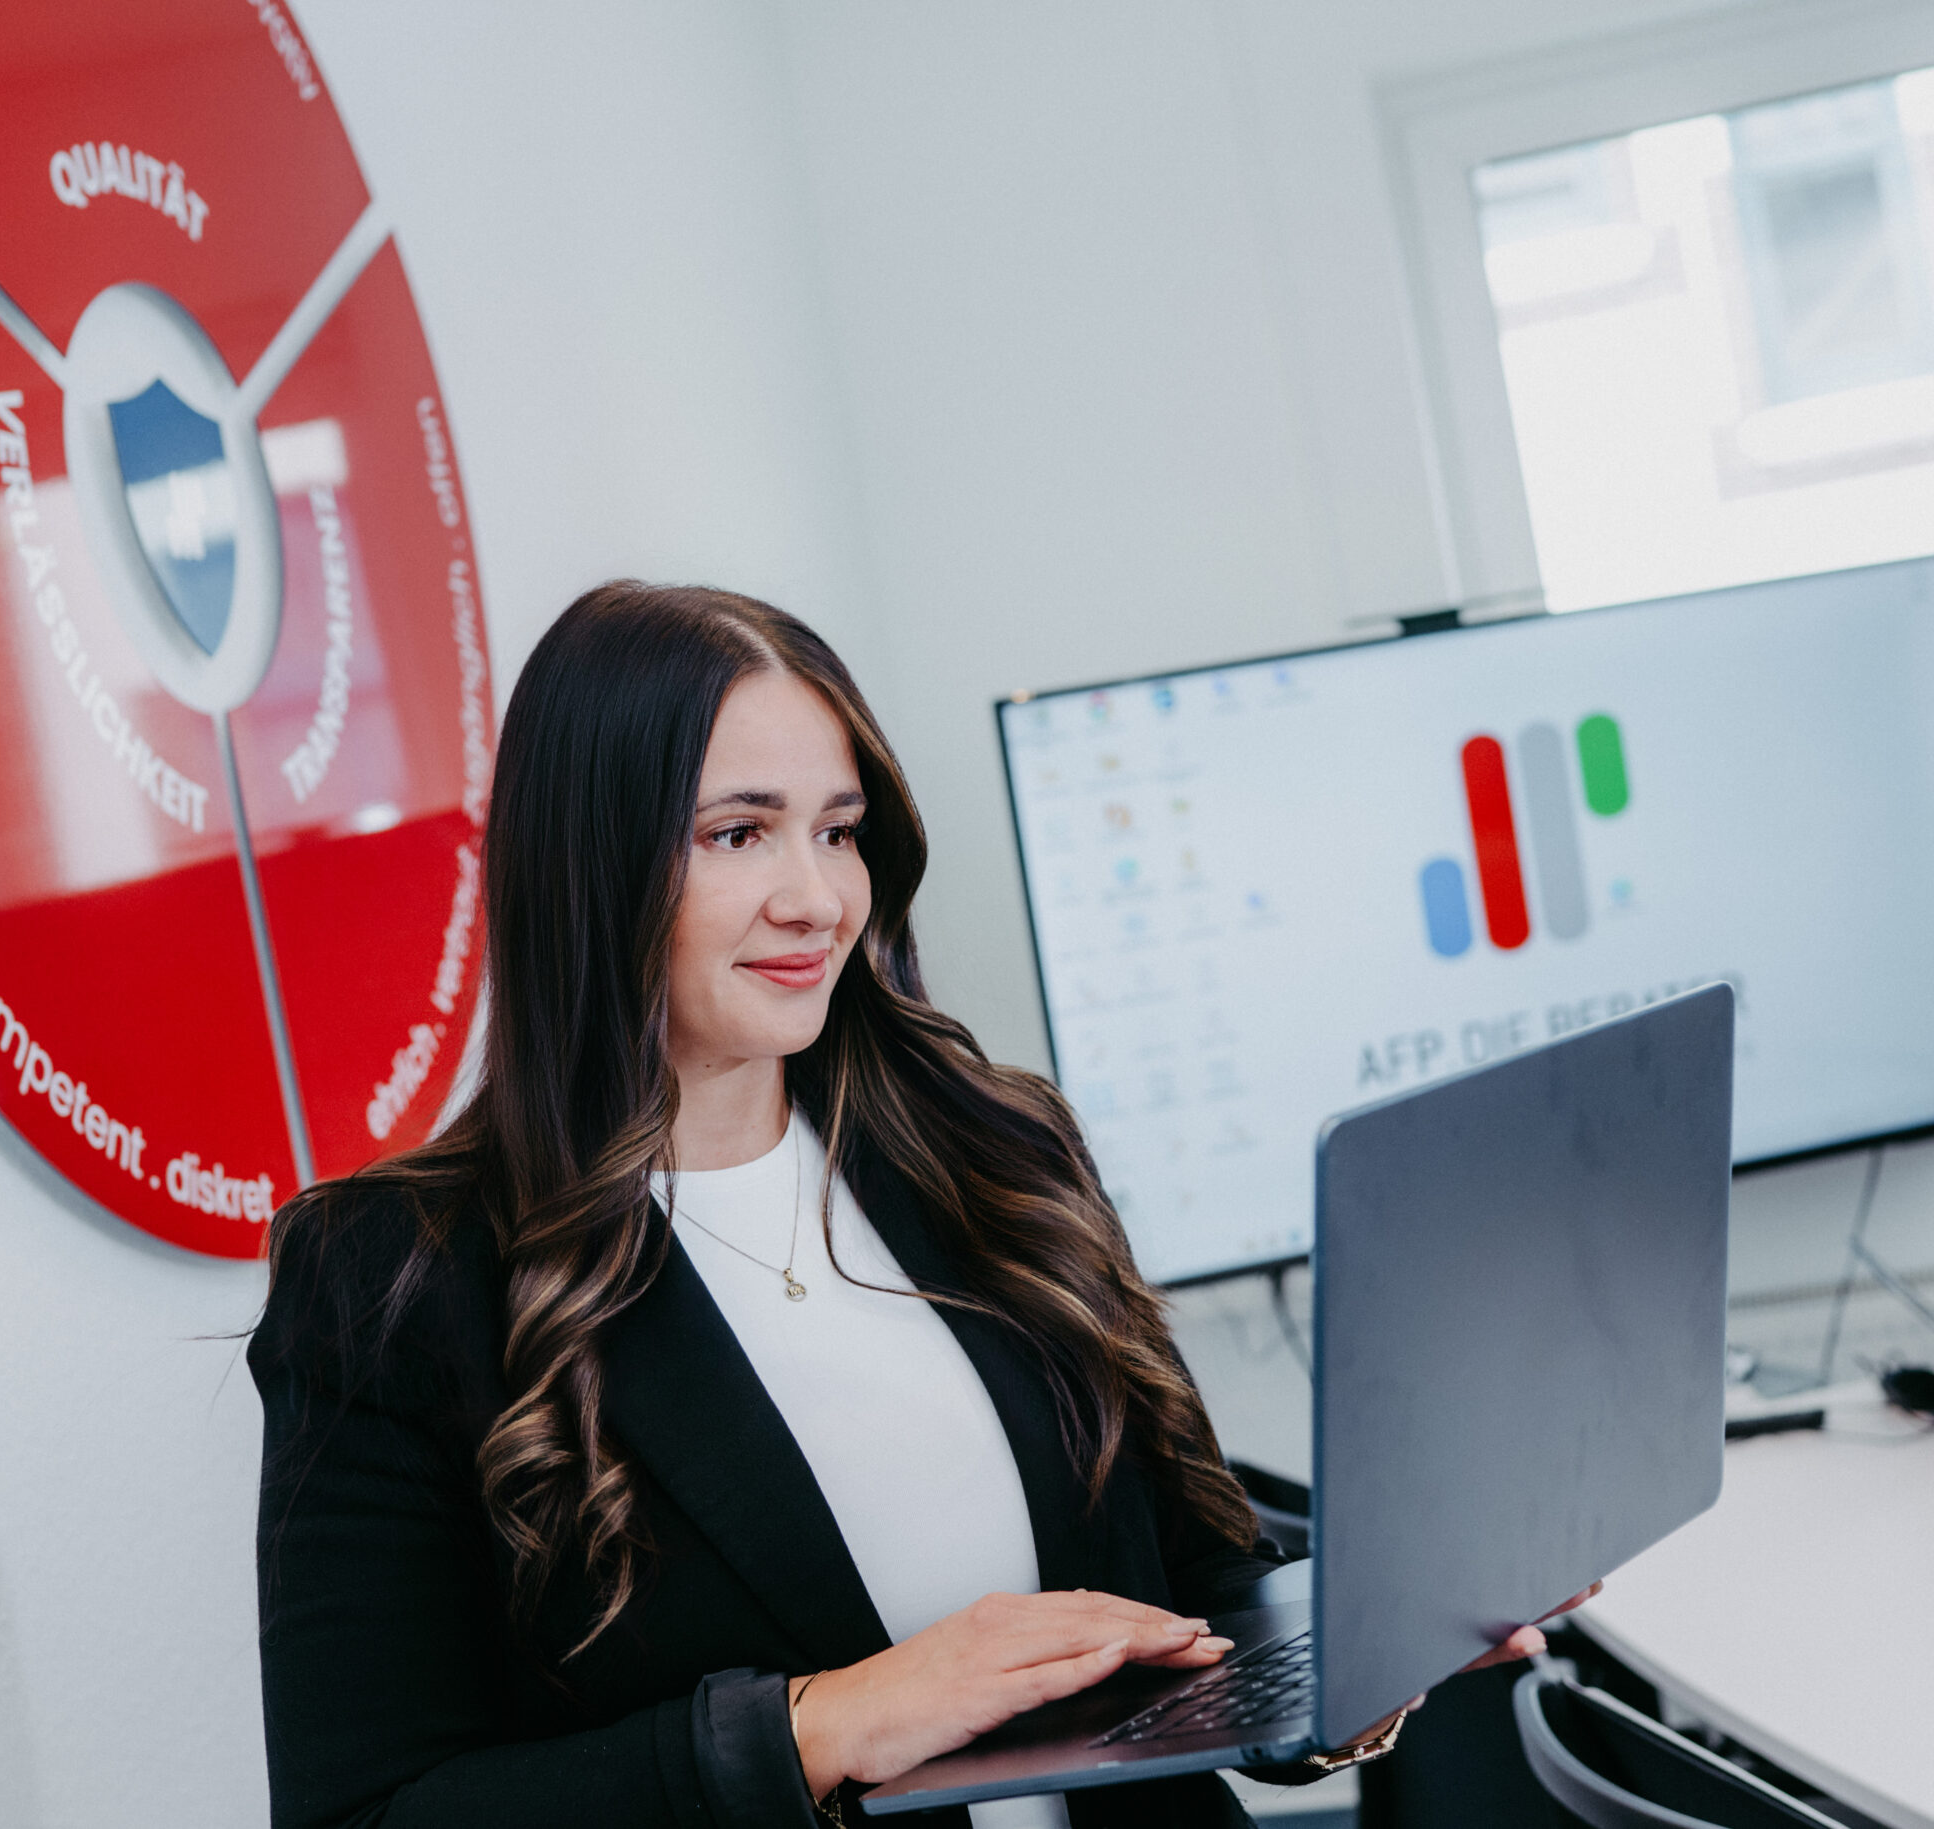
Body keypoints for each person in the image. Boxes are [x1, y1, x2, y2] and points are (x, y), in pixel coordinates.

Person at [248, 583, 1573, 1829]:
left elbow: (1204, 1599)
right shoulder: (390, 1275)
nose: (816, 897)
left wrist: (1372, 1648)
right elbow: (372, 1809)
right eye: (737, 832)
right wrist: (823, 1722)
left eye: (836, 829)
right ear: (587, 864)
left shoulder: (997, 1152)